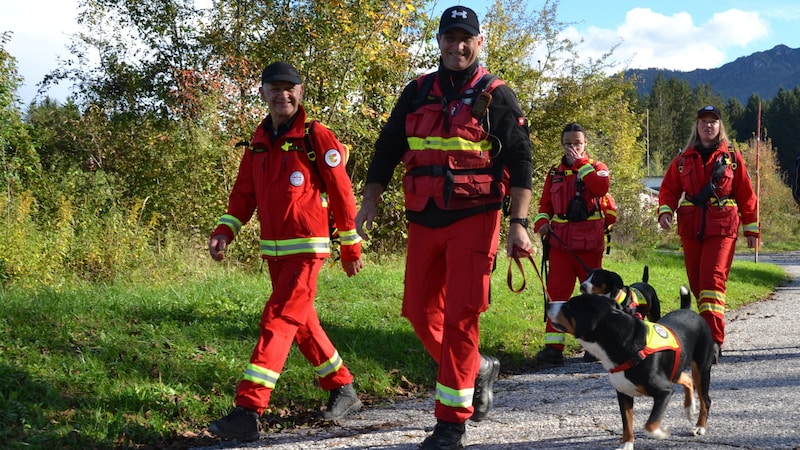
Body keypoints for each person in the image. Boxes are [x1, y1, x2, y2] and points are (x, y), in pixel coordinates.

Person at [354, 6, 533, 449]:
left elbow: (521, 161)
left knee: (460, 317)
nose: (457, 46)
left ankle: (451, 422)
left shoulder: (496, 94)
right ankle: (477, 370)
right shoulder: (415, 92)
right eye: (449, 38)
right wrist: (370, 201)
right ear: (438, 41)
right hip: (424, 218)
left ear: (479, 41)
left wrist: (518, 223)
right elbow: (387, 148)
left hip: (476, 218)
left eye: (465, 38)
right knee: (418, 310)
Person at [207, 61, 364, 441]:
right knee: (302, 324)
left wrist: (350, 243)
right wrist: (225, 230)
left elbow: (342, 192)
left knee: (277, 319)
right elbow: (243, 194)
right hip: (274, 254)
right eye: (275, 88)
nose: (283, 95)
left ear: (301, 92)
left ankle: (248, 410)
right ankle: (342, 386)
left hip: (308, 250)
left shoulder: (317, 136)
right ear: (263, 93)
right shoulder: (258, 142)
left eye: (290, 88)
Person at [658, 105, 759, 363]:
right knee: (697, 283)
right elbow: (668, 189)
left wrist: (751, 227)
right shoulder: (683, 159)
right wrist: (665, 211)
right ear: (697, 126)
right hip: (692, 228)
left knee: (712, 282)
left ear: (719, 126)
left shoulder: (732, 157)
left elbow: (746, 193)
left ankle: (713, 341)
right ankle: (704, 334)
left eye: (713, 122)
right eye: (703, 121)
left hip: (722, 227)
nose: (708, 126)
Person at [533, 122, 611, 365]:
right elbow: (544, 205)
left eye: (577, 143)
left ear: (585, 143)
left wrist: (580, 164)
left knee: (592, 296)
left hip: (588, 244)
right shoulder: (553, 173)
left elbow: (601, 188)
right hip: (560, 245)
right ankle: (553, 348)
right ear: (562, 144)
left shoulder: (596, 168)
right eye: (568, 144)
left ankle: (594, 344)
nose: (572, 148)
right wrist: (541, 223)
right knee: (556, 295)